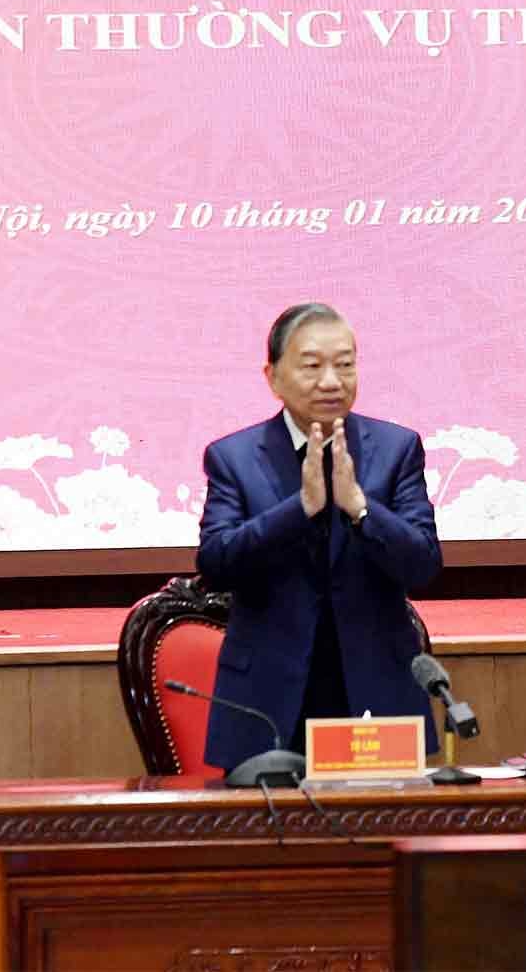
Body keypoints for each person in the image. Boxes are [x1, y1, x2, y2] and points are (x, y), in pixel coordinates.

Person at [195, 302, 443, 772]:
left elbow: (423, 565)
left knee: (381, 822)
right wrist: (299, 510)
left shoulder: (397, 450)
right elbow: (216, 563)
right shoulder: (233, 458)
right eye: (312, 366)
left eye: (345, 365)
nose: (331, 381)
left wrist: (361, 508)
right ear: (273, 377)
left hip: (373, 694)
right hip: (268, 700)